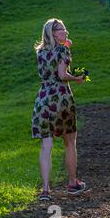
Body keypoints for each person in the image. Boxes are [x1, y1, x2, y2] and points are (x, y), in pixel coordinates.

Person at [31, 18, 87, 201]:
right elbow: (62, 75)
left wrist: (65, 45)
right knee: (70, 142)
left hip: (43, 99)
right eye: (62, 30)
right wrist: (77, 79)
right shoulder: (63, 50)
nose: (66, 32)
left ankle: (46, 190)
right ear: (53, 33)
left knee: (46, 146)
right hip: (61, 98)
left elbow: (52, 64)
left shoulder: (40, 52)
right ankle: (72, 183)